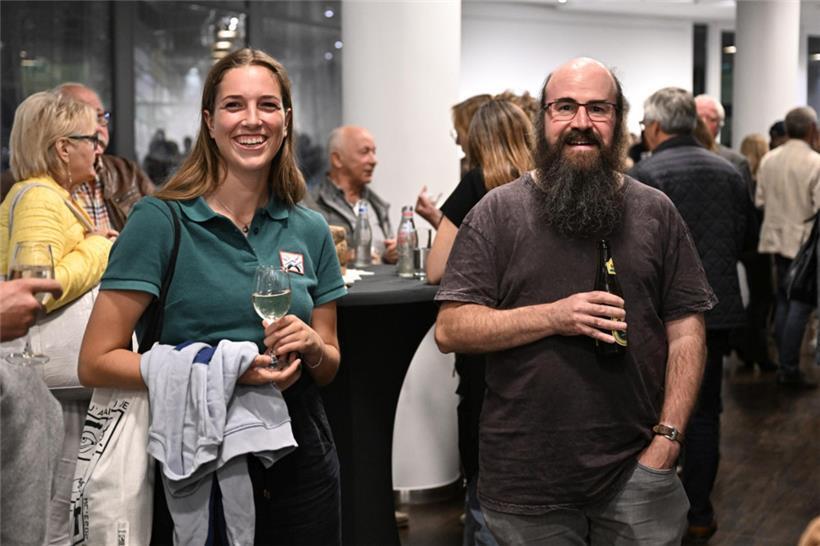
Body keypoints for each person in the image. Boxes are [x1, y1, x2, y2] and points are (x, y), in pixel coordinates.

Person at [435, 57, 716, 545]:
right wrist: (555, 316)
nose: (581, 122)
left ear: (619, 120)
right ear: (542, 119)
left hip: (638, 474)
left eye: (598, 108)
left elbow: (687, 330)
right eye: (564, 107)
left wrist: (668, 440)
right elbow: (451, 328)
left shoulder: (656, 212)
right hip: (526, 480)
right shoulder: (496, 213)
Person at [78, 48, 346, 545]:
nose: (252, 120)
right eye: (234, 105)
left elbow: (329, 363)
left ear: (286, 120)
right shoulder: (160, 220)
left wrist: (312, 347)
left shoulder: (310, 229)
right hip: (194, 454)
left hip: (301, 457)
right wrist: (220, 371)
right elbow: (95, 361)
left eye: (268, 105)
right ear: (209, 121)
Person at [629, 87, 752, 543]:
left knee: (659, 410)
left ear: (656, 127)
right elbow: (746, 237)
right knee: (704, 413)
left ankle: (655, 511)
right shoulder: (729, 170)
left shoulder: (645, 174)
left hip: (659, 314)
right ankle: (699, 511)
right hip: (715, 310)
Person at [0, 90, 116, 544]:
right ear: (64, 148)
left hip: (53, 383)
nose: (99, 147)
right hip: (48, 381)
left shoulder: (50, 196)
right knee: (52, 515)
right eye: (91, 138)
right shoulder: (40, 198)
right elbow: (38, 289)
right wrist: (100, 246)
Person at [427, 98, 533, 546]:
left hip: (485, 347)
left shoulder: (475, 185)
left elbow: (436, 269)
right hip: (539, 351)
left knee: (484, 484)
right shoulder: (545, 185)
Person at [755, 106, 820, 388]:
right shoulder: (815, 162)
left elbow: (760, 201)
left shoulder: (769, 159)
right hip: (804, 246)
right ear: (811, 129)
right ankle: (789, 367)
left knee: (783, 299)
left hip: (774, 240)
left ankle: (785, 363)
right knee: (800, 304)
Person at [309, 125, 397, 264]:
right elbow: (304, 254)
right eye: (365, 152)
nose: (374, 160)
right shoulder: (312, 204)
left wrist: (391, 254)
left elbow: (386, 254)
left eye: (374, 152)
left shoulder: (378, 205)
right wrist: (345, 257)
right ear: (337, 159)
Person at [694, 94, 754, 194]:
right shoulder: (673, 159)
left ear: (720, 124)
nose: (704, 123)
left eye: (711, 119)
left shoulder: (736, 161)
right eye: (698, 118)